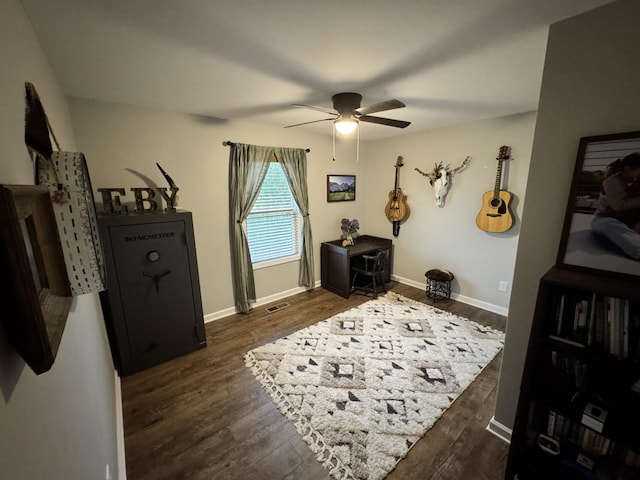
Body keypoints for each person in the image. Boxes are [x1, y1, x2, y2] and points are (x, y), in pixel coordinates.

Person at [591, 152, 640, 260]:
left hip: (629, 221)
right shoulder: (612, 182)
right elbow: (618, 205)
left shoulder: (635, 180)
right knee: (610, 226)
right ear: (628, 169)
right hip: (606, 219)